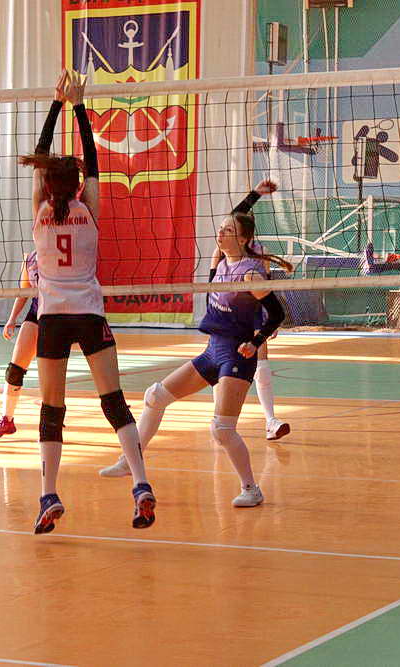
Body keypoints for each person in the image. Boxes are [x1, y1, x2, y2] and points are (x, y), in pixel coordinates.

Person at [20, 71, 156, 534]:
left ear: (47, 183)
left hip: (53, 318)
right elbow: (93, 162)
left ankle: (49, 494)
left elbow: (40, 158)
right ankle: (140, 484)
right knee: (113, 401)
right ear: (78, 183)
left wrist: (56, 103)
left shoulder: (41, 209)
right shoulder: (88, 208)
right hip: (90, 313)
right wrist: (79, 105)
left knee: (51, 409)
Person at [99, 192, 292, 507]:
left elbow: (278, 313)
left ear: (243, 239)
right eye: (220, 228)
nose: (220, 233)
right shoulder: (219, 262)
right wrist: (255, 194)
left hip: (236, 357)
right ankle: (129, 460)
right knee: (155, 396)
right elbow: (237, 216)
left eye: (228, 231)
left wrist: (256, 342)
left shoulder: (249, 273)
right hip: (212, 351)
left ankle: (251, 489)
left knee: (222, 430)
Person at [209, 191, 291, 441]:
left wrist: (269, 323)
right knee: (219, 364)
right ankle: (218, 417)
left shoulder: (261, 253)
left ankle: (270, 421)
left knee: (262, 363)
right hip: (225, 314)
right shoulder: (221, 251)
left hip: (251, 313)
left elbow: (266, 289)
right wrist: (257, 192)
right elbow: (211, 285)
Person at [0, 250, 39, 437]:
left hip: (63, 315)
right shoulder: (30, 258)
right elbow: (24, 291)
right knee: (15, 369)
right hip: (37, 313)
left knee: (53, 370)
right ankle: (6, 420)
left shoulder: (63, 253)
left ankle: (54, 419)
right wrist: (12, 319)